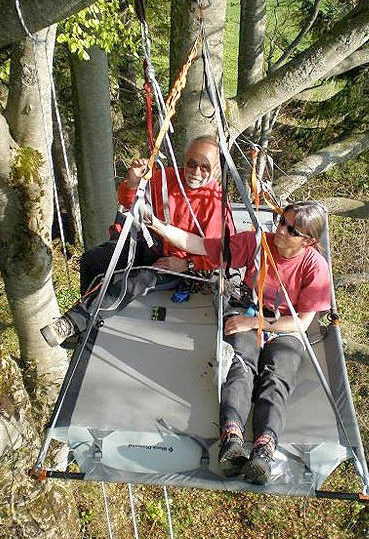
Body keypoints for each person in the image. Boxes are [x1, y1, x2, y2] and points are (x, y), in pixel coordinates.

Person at [147, 202, 331, 484]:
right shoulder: (257, 243)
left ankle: (264, 450)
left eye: (291, 230)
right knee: (241, 365)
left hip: (282, 326)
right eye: (282, 221)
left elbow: (302, 323)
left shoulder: (315, 267)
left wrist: (256, 324)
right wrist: (159, 226)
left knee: (277, 376)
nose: (280, 230)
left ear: (307, 240)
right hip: (248, 310)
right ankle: (231, 439)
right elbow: (201, 245)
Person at [41, 136, 234, 347]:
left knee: (137, 281)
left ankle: (72, 322)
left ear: (215, 168)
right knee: (93, 259)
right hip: (149, 245)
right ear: (184, 160)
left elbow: (222, 253)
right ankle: (89, 321)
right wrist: (133, 182)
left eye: (205, 167)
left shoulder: (216, 202)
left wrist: (187, 264)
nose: (196, 172)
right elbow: (130, 202)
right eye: (192, 164)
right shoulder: (167, 178)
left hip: (179, 266)